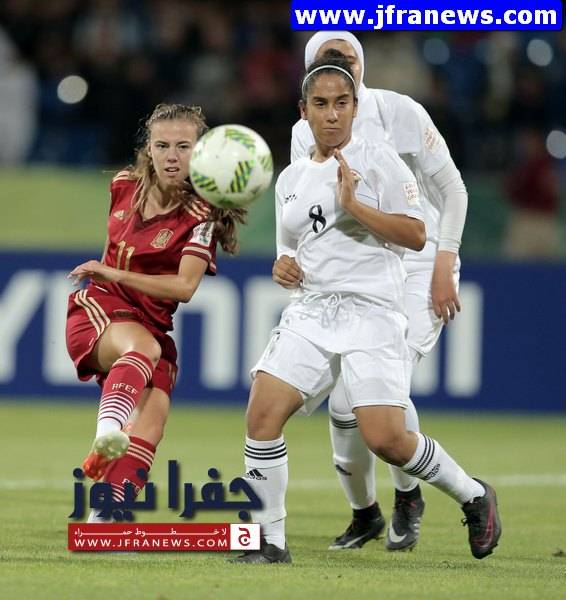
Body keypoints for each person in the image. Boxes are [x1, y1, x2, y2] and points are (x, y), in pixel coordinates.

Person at [233, 55, 500, 564]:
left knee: (386, 439)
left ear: (355, 107)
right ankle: (269, 541)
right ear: (304, 111)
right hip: (312, 310)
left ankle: (473, 494)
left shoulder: (380, 160)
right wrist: (283, 265)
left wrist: (356, 206)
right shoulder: (291, 177)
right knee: (262, 413)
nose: (332, 114)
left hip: (373, 311)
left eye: (342, 103)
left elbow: (416, 234)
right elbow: (291, 245)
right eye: (321, 104)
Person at [273, 31, 469, 552]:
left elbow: (452, 190)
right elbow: (301, 211)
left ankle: (408, 494)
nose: (340, 67)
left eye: (348, 59)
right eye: (327, 61)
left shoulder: (400, 112)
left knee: (369, 396)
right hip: (357, 272)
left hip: (419, 260)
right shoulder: (303, 131)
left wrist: (444, 261)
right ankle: (365, 512)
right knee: (344, 408)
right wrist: (288, 258)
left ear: (362, 69)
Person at [65, 102, 245, 521]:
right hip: (99, 309)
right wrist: (110, 276)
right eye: (162, 145)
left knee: (152, 420)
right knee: (143, 349)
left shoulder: (203, 216)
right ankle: (107, 433)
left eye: (184, 147)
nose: (172, 156)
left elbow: (184, 288)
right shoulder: (123, 185)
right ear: (149, 148)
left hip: (151, 325)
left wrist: (113, 271)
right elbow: (112, 260)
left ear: (200, 153)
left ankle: (104, 518)